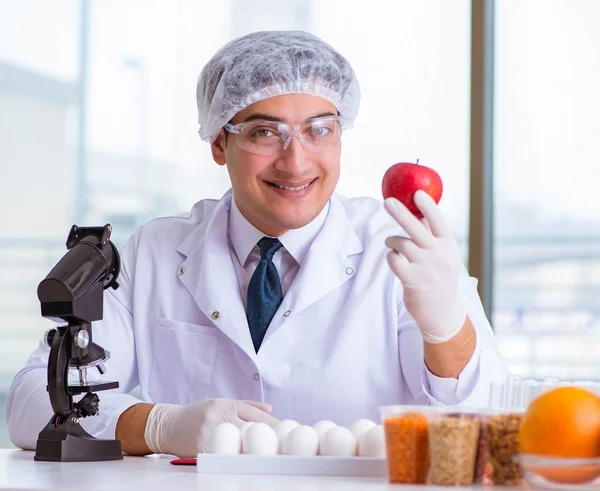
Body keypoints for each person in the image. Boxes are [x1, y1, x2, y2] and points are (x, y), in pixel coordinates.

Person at [7, 30, 507, 458]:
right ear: (219, 144)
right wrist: (158, 425)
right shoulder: (153, 252)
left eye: (319, 130)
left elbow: (486, 421)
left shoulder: (401, 251)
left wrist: (447, 330)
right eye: (266, 132)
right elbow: (30, 402)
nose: (295, 162)